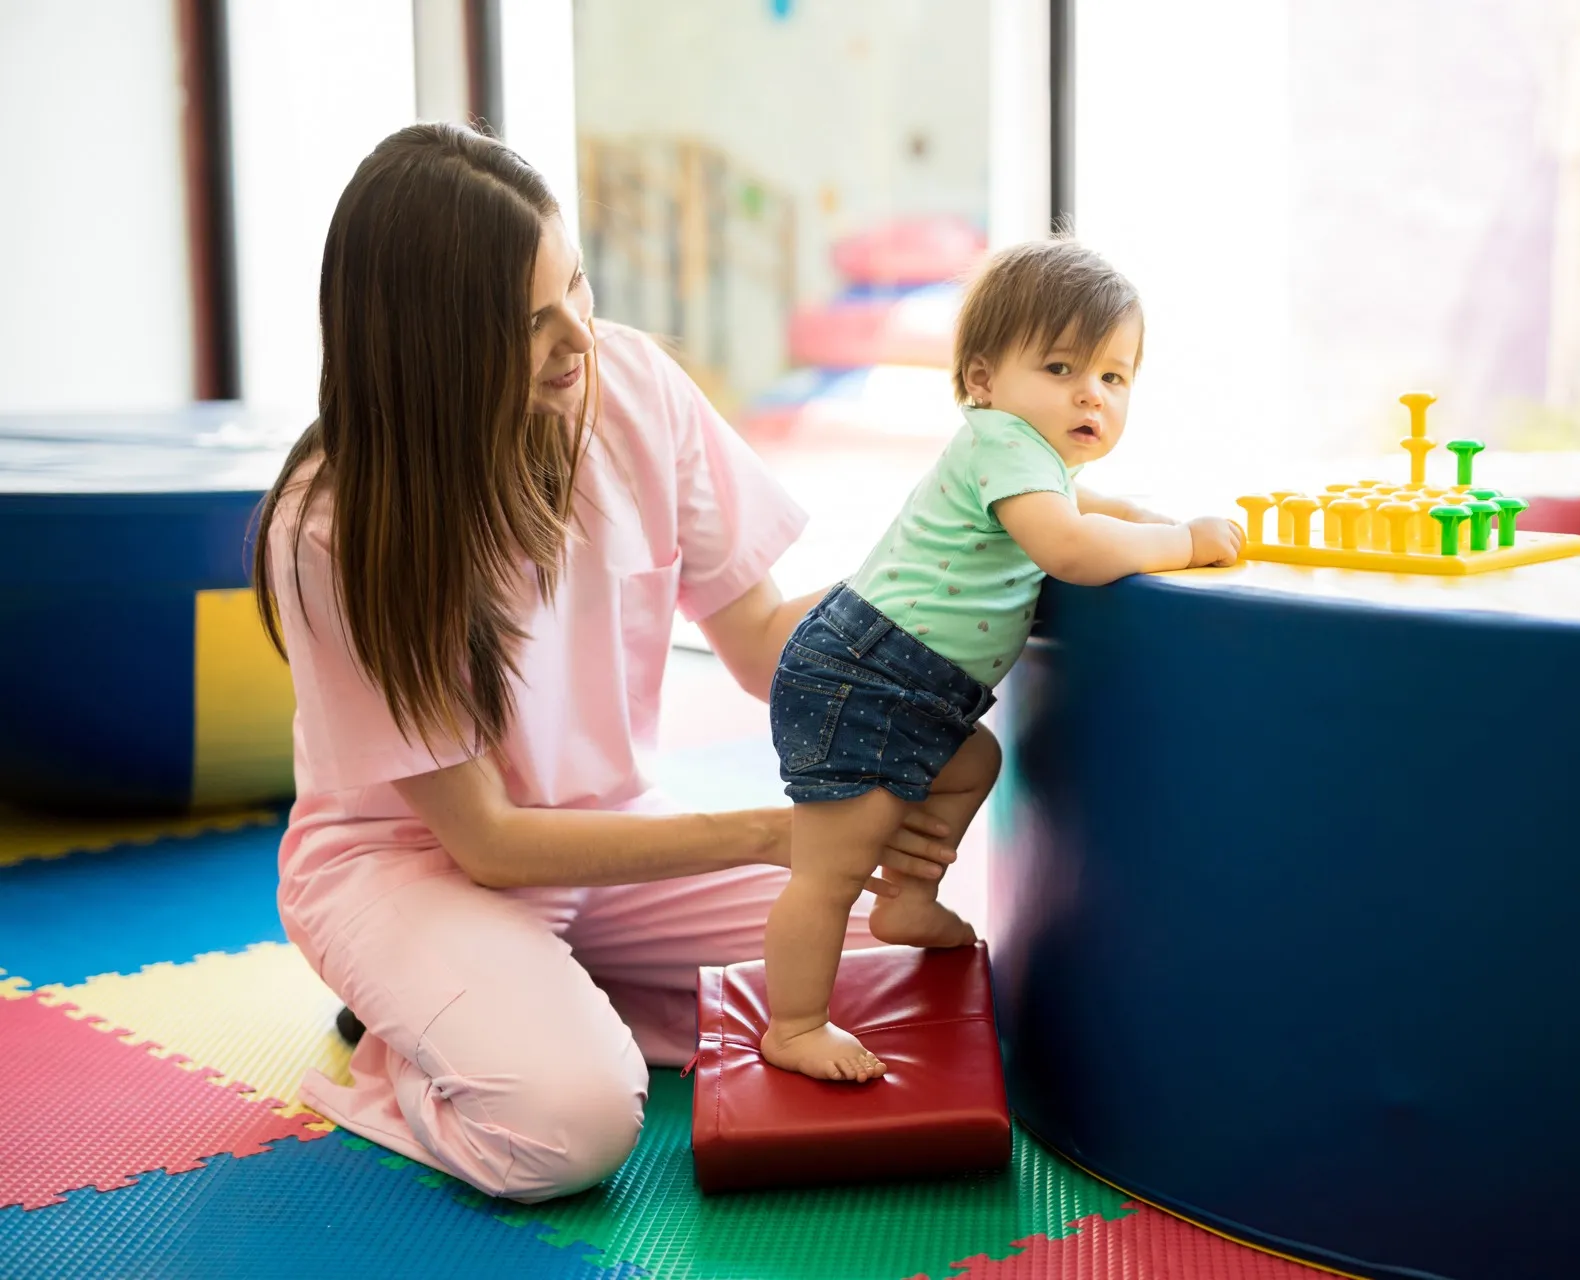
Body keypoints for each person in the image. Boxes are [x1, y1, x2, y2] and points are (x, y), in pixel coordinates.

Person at [251, 122, 956, 1201]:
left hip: (608, 837)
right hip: (415, 864)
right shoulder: (335, 526)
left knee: (917, 962)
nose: (577, 335)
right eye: (527, 322)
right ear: (432, 349)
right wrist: (777, 833)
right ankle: (406, 1046)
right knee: (569, 1126)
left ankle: (539, 997)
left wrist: (942, 578)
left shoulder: (632, 385)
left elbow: (765, 646)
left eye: (574, 283)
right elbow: (487, 840)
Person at [758, 239, 1245, 1082]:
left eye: (1114, 376)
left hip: (913, 686)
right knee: (828, 871)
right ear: (983, 379)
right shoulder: (1004, 447)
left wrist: (1141, 514)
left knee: (973, 762)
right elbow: (1071, 548)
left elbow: (1084, 503)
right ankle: (794, 1026)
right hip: (866, 678)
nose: (1091, 393)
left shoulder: (1028, 459)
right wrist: (1184, 543)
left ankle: (910, 897)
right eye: (1061, 368)